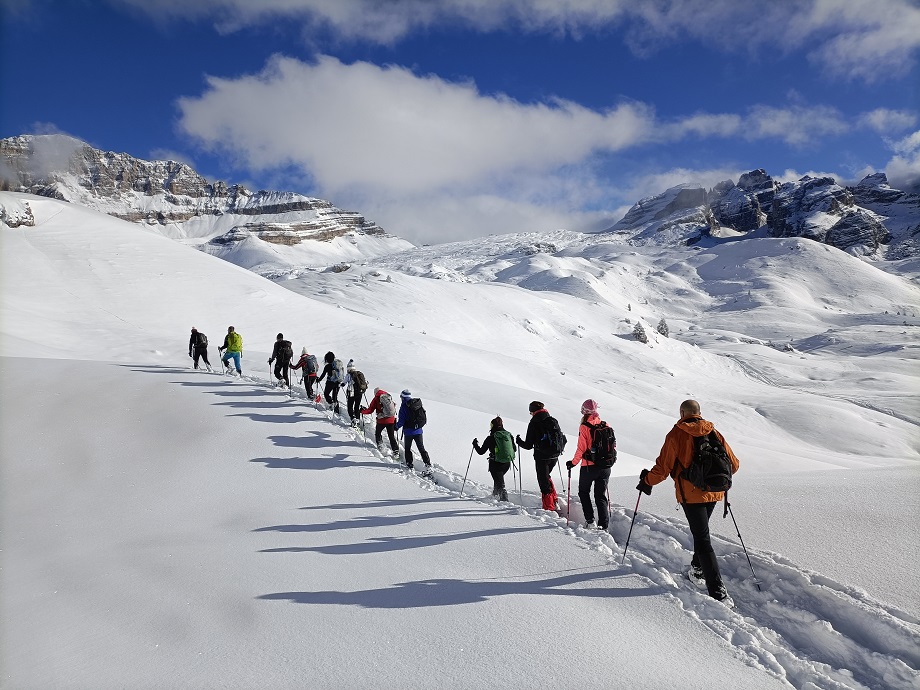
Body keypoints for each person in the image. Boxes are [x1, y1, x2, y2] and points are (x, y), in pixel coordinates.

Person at [637, 399, 740, 605]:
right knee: (700, 532)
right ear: (699, 412)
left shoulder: (676, 434)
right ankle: (697, 569)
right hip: (714, 493)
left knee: (702, 538)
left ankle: (717, 591)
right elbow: (734, 464)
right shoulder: (713, 432)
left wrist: (646, 481)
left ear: (682, 413)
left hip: (691, 495)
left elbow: (663, 468)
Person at [566, 399, 612, 530]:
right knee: (600, 495)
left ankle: (590, 521)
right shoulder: (605, 424)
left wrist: (573, 463)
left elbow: (581, 449)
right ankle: (604, 525)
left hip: (589, 467)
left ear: (584, 411)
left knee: (584, 492)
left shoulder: (585, 427)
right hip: (605, 467)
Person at [516, 401, 564, 511]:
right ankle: (554, 500)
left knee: (543, 482)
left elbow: (528, 445)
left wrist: (519, 441)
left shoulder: (534, 422)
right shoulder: (551, 420)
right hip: (555, 455)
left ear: (533, 411)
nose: (531, 414)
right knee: (547, 477)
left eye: (531, 412)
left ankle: (549, 508)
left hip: (542, 456)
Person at [473, 416, 516, 501]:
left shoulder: (491, 438)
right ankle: (494, 496)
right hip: (507, 463)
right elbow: (514, 449)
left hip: (495, 463)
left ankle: (504, 502)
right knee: (498, 480)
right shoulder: (509, 435)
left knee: (500, 483)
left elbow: (481, 452)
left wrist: (475, 444)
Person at [395, 389, 431, 473]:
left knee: (407, 448)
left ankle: (409, 464)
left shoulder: (403, 406)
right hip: (418, 431)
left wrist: (396, 427)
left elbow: (401, 421)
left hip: (408, 432)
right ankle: (428, 464)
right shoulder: (417, 404)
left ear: (402, 397)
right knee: (421, 448)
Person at [361, 387, 399, 457]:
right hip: (391, 420)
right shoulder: (388, 396)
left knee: (378, 433)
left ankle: (381, 446)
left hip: (382, 420)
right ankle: (396, 451)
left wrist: (362, 411)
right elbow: (393, 406)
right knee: (391, 436)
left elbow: (370, 410)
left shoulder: (376, 399)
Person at [343, 360, 367, 426]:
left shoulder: (349, 375)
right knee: (357, 407)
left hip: (351, 393)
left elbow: (344, 383)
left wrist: (341, 384)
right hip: (360, 393)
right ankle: (358, 420)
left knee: (350, 407)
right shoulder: (359, 374)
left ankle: (353, 419)